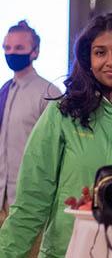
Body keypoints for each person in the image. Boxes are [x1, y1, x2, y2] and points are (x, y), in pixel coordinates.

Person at [0, 13, 112, 258]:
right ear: (89, 61)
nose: (111, 61)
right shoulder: (63, 114)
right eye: (100, 52)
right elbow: (31, 201)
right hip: (66, 252)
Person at [0, 21, 61, 224]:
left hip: (31, 203)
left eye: (19, 48)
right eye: (7, 48)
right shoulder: (4, 90)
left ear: (34, 52)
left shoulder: (49, 93)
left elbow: (58, 150)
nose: (11, 53)